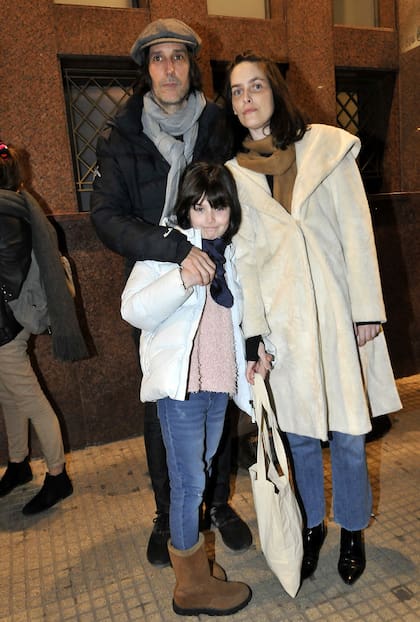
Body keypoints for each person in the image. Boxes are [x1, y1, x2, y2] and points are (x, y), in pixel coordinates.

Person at [223, 52, 402, 586]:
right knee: (299, 436)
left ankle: (350, 528)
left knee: (347, 433)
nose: (247, 97)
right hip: (284, 327)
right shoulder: (236, 175)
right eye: (236, 91)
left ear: (275, 92)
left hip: (337, 313)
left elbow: (356, 228)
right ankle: (311, 526)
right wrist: (255, 335)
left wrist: (367, 308)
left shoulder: (326, 148)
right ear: (232, 106)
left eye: (256, 86)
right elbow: (248, 260)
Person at [90, 19, 252, 567]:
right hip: (157, 276)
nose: (168, 68)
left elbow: (240, 188)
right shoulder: (123, 132)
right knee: (166, 394)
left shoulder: (216, 124)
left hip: (220, 269)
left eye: (178, 57)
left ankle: (217, 503)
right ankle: (169, 512)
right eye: (157, 58)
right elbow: (106, 215)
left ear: (191, 66)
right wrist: (171, 247)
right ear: (146, 69)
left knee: (218, 386)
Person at [121, 162, 257, 616]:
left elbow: (240, 318)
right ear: (185, 209)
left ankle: (195, 569)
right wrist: (181, 277)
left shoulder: (232, 252)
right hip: (181, 388)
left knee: (200, 472)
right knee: (188, 483)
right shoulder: (166, 247)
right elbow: (133, 310)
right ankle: (191, 588)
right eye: (199, 207)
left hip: (217, 382)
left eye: (218, 206)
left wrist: (257, 354)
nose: (210, 217)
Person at [0, 142, 88, 514]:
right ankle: (19, 463)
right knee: (10, 395)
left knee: (29, 397)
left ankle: (58, 475)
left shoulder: (4, 213)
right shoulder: (12, 205)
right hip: (5, 321)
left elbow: (10, 270)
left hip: (5, 324)